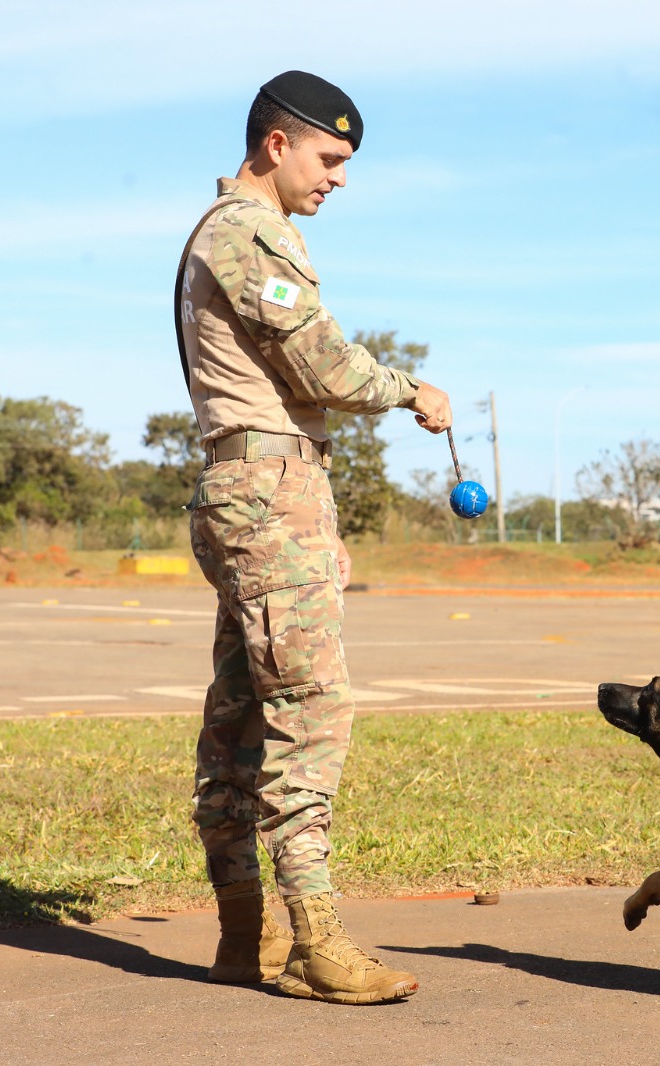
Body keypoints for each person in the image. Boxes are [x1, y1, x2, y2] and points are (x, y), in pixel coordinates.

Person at [174, 69, 452, 1004]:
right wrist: (413, 390)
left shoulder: (234, 235)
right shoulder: (247, 233)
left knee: (241, 711)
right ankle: (315, 944)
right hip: (268, 489)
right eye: (329, 158)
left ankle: (239, 935)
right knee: (311, 707)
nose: (338, 177)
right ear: (275, 144)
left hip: (257, 483)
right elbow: (324, 363)